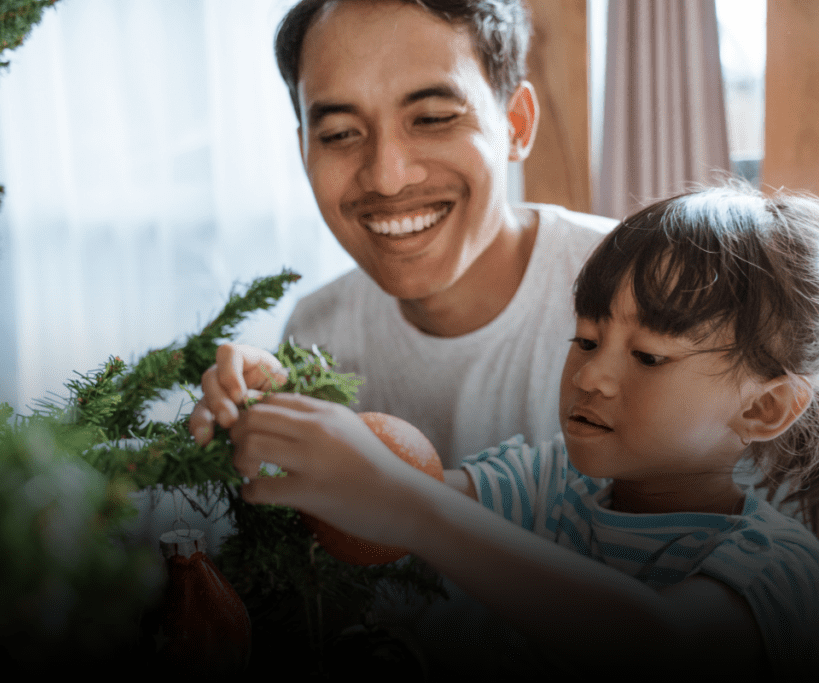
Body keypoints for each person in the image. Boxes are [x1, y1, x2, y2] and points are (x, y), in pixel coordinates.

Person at [226, 184, 819, 678]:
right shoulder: (547, 480)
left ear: (764, 410)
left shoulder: (780, 568)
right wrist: (284, 405)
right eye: (585, 340)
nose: (591, 376)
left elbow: (659, 649)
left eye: (647, 357)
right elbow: (403, 482)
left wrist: (409, 509)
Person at [190, 0, 617, 467]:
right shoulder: (317, 338)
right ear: (304, 150)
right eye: (339, 134)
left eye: (433, 118)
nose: (386, 178)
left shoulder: (642, 299)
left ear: (516, 124)